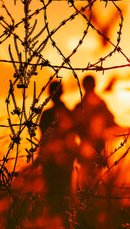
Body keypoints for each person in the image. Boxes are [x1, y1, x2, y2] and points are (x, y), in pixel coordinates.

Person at [39, 80, 76, 226]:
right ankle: (62, 223)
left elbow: (43, 138)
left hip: (54, 161)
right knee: (62, 195)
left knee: (54, 195)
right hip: (59, 161)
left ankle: (56, 223)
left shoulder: (48, 114)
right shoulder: (68, 112)